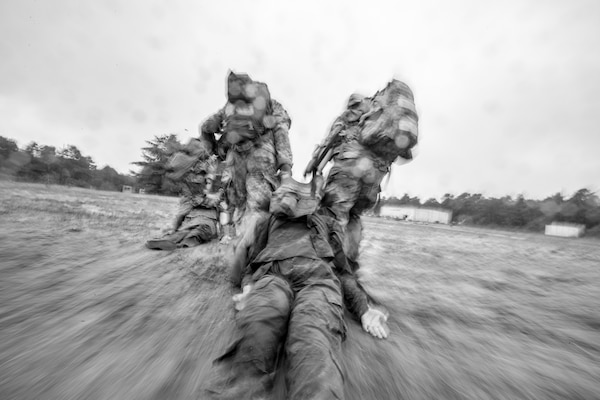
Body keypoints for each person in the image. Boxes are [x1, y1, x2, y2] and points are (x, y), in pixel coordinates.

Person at [205, 177, 389, 400]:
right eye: (283, 195)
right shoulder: (266, 222)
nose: (287, 201)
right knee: (260, 323)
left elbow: (343, 272)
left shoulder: (328, 224)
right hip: (272, 277)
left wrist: (363, 309)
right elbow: (252, 265)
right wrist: (248, 288)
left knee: (314, 337)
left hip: (318, 282)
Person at [305, 79, 419, 269]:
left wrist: (313, 164)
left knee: (334, 215)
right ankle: (349, 264)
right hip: (376, 174)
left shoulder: (347, 118)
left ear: (352, 103)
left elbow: (328, 144)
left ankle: (326, 269)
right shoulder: (375, 116)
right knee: (354, 216)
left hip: (351, 167)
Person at [199, 71, 293, 243]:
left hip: (235, 159)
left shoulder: (229, 108)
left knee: (237, 204)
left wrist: (214, 152)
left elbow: (205, 128)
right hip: (262, 156)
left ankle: (236, 242)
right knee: (259, 206)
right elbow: (281, 131)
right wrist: (285, 166)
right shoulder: (271, 105)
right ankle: (252, 248)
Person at [145, 139, 224, 250]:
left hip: (203, 218)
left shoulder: (204, 172)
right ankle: (171, 239)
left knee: (197, 231)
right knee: (191, 230)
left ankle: (175, 240)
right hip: (197, 215)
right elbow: (198, 201)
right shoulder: (198, 178)